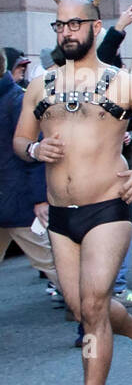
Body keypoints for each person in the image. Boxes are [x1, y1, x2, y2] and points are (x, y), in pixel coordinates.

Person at [13, 0, 132, 385]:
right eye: (60, 24)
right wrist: (35, 147)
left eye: (75, 24)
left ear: (95, 27)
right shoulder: (39, 85)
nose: (67, 32)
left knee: (91, 305)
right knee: (84, 308)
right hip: (61, 219)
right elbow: (19, 143)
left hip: (108, 207)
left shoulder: (124, 84)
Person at [0, 48, 58, 287]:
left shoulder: (16, 101)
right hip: (13, 197)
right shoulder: (14, 98)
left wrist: (39, 198)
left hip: (18, 198)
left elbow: (34, 151)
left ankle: (93, 311)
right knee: (51, 262)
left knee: (51, 262)